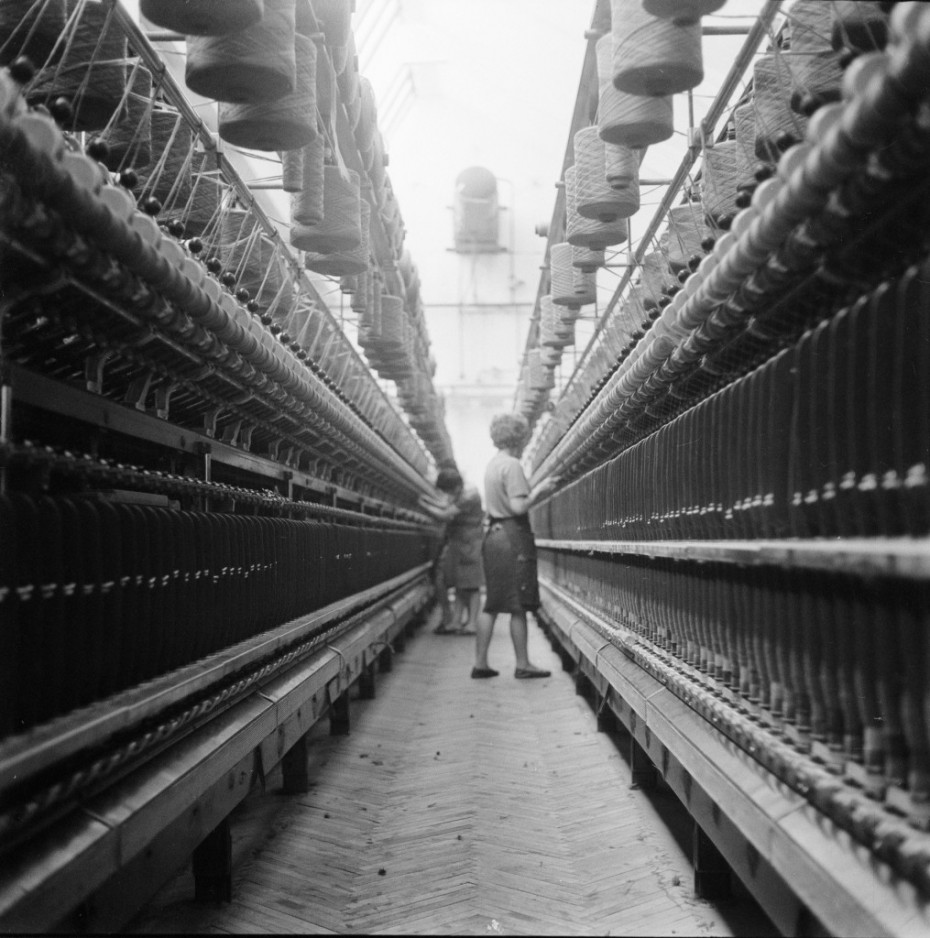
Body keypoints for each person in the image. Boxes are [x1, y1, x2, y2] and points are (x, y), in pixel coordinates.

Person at [472, 412, 556, 679]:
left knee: (492, 604)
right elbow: (519, 506)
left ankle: (481, 663)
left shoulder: (492, 464)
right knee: (518, 603)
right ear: (520, 437)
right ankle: (523, 664)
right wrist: (541, 490)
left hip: (494, 537)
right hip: (511, 538)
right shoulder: (512, 465)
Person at [418, 465, 485, 635]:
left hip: (471, 542)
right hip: (461, 542)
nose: (446, 495)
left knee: (472, 584)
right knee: (462, 583)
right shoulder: (461, 492)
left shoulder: (469, 495)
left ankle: (471, 624)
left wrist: (423, 506)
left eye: (446, 491)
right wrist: (428, 501)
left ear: (454, 486)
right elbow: (445, 505)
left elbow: (445, 514)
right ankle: (456, 622)